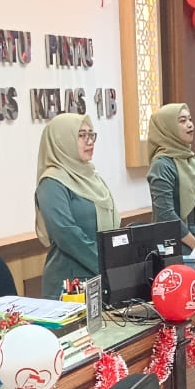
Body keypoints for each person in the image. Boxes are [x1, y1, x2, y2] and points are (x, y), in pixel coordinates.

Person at [34, 112, 120, 299]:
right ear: (62, 140)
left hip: (103, 275)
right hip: (70, 284)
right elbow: (66, 233)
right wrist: (106, 264)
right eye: (81, 135)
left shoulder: (92, 177)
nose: (89, 141)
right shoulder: (52, 182)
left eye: (91, 135)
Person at [147, 103, 195, 251]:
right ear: (167, 128)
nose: (190, 125)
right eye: (182, 121)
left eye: (190, 119)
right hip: (175, 246)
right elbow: (165, 214)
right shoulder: (161, 165)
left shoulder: (190, 159)